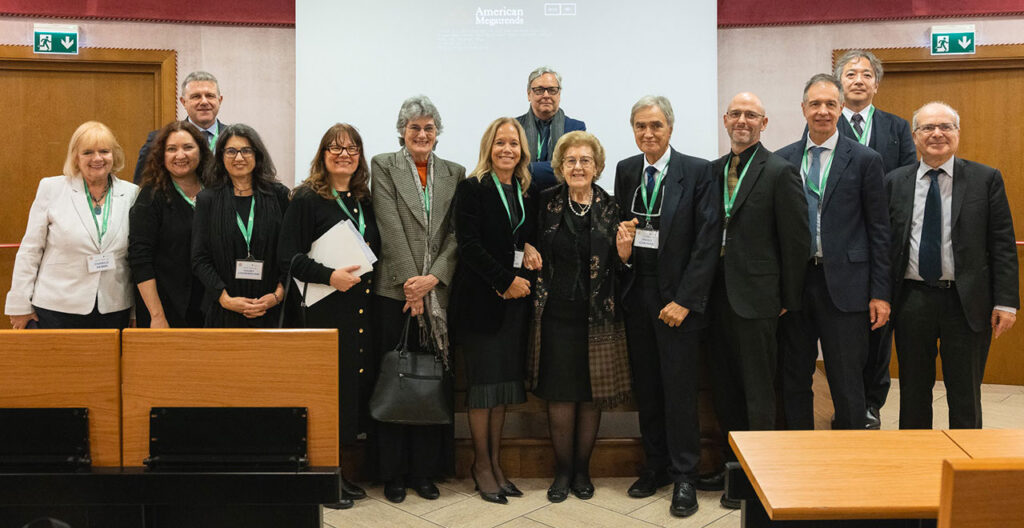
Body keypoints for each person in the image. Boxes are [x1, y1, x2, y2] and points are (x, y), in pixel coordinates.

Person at [614, 96, 719, 518]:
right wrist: (622, 254)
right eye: (640, 126)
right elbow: (623, 231)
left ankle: (684, 477)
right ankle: (654, 465)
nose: (648, 133)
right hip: (638, 296)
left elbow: (707, 241)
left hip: (679, 301)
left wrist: (685, 301)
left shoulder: (697, 171)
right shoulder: (626, 170)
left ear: (670, 128)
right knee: (649, 389)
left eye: (655, 125)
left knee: (678, 392)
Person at [703, 92, 809, 508]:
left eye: (751, 115)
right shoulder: (711, 172)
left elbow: (797, 241)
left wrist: (786, 298)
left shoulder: (780, 172)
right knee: (724, 388)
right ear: (725, 120)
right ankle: (733, 470)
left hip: (759, 300)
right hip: (715, 299)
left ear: (763, 124)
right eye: (736, 114)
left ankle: (758, 476)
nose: (742, 121)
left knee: (758, 391)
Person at [885, 101, 1018, 429]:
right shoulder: (894, 182)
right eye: (928, 128)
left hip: (966, 302)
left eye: (946, 126)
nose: (937, 134)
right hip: (911, 299)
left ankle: (965, 468)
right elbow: (883, 245)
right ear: (915, 136)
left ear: (957, 133)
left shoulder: (985, 179)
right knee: (913, 391)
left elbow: (1002, 245)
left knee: (965, 392)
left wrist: (1006, 302)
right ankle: (918, 464)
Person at [775, 74, 891, 431]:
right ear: (803, 109)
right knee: (793, 376)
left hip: (847, 286)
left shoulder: (865, 160)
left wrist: (880, 293)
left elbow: (880, 231)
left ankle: (851, 454)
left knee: (846, 379)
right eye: (815, 104)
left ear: (841, 108)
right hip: (795, 286)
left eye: (830, 104)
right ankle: (799, 452)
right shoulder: (782, 160)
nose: (822, 111)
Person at [279, 123, 380, 509]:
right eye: (335, 149)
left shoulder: (363, 199)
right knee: (326, 395)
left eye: (352, 148)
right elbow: (288, 257)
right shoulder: (306, 198)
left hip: (359, 309)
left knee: (350, 394)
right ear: (323, 155)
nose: (344, 155)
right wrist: (329, 276)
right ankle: (322, 479)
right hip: (323, 309)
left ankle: (338, 474)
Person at [528, 130, 633, 503]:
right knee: (559, 395)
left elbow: (624, 269)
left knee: (590, 397)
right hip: (555, 316)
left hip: (599, 318)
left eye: (585, 160)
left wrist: (624, 257)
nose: (577, 167)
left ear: (597, 166)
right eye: (570, 160)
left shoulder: (612, 207)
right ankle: (561, 472)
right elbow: (527, 243)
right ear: (559, 166)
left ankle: (583, 471)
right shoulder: (544, 203)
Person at [370, 95, 463, 504]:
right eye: (414, 128)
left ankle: (425, 472)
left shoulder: (455, 172)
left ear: (437, 133)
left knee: (430, 384)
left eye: (428, 128)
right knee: (397, 380)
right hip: (395, 294)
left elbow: (458, 235)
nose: (421, 134)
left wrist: (432, 280)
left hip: (437, 296)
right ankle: (392, 472)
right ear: (402, 133)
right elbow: (388, 225)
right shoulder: (384, 165)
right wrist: (411, 284)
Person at [450, 117, 538, 504]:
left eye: (514, 144)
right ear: (489, 146)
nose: (507, 149)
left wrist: (532, 248)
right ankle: (481, 466)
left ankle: (497, 464)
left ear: (523, 151)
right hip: (482, 303)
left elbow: (519, 238)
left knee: (501, 389)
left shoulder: (525, 189)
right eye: (500, 142)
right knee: (483, 391)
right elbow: (468, 245)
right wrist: (504, 280)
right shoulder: (472, 188)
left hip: (514, 306)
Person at [835, 49, 917, 428]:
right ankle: (848, 401)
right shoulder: (825, 122)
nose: (858, 80)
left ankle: (872, 401)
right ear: (840, 83)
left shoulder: (897, 128)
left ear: (876, 85)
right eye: (851, 73)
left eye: (866, 75)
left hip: (886, 240)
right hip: (844, 242)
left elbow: (906, 182)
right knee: (848, 329)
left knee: (880, 323)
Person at [6, 121, 139, 329]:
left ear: (114, 155)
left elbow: (135, 258)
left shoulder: (132, 194)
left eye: (104, 151)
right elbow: (30, 250)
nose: (97, 158)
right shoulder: (52, 188)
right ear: (76, 157)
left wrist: (135, 309)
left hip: (113, 309)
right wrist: (19, 305)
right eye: (88, 152)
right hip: (57, 309)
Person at [191, 124, 288, 328]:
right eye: (231, 151)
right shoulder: (207, 199)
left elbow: (290, 253)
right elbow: (200, 258)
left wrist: (278, 294)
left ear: (257, 154)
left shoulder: (279, 195)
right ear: (221, 156)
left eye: (246, 150)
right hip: (223, 311)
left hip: (273, 309)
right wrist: (224, 298)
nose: (239, 157)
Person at [128, 121, 212, 328]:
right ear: (161, 155)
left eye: (188, 147)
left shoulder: (214, 191)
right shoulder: (151, 196)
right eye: (171, 149)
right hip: (166, 308)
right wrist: (157, 316)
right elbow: (140, 260)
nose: (180, 155)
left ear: (201, 151)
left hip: (212, 304)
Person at [134, 71, 227, 183]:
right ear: (183, 102)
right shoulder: (158, 139)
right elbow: (142, 184)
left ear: (219, 100)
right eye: (196, 96)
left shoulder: (235, 138)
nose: (204, 102)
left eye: (210, 96)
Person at [515, 66, 585, 191]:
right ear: (529, 94)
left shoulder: (576, 129)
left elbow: (569, 168)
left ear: (559, 94)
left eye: (552, 90)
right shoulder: (514, 127)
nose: (546, 95)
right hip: (522, 198)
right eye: (539, 90)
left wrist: (525, 169)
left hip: (561, 200)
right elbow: (507, 168)